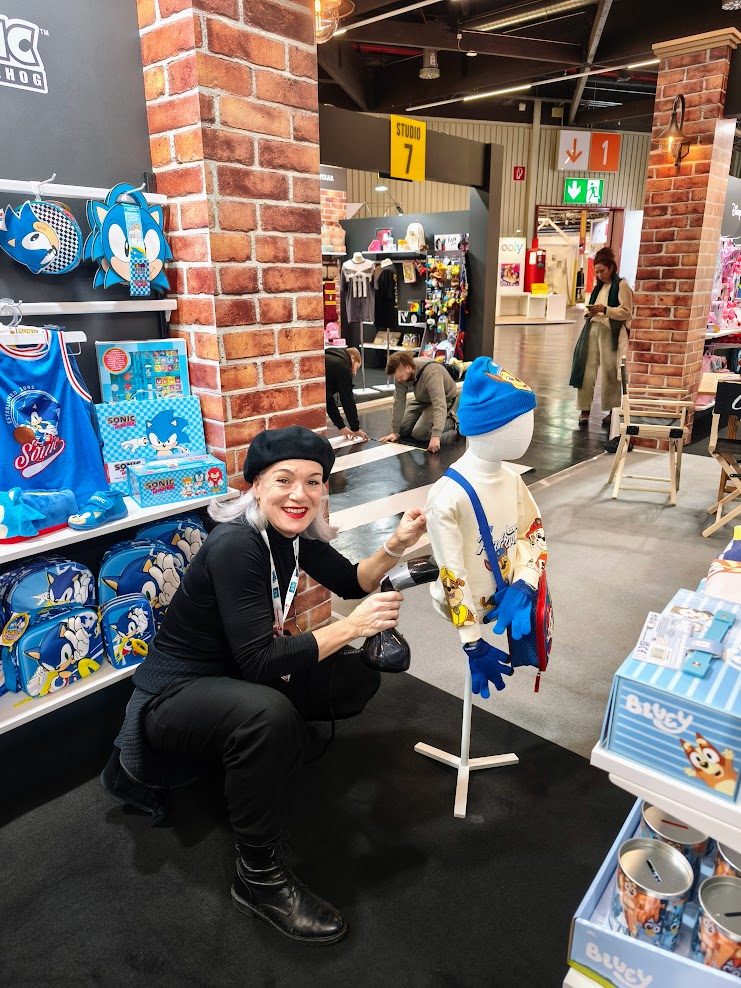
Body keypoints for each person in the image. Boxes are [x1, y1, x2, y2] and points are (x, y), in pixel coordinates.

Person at [102, 426, 427, 945]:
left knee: (351, 680)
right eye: (284, 480)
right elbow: (258, 662)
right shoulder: (237, 546)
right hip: (174, 697)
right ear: (255, 485)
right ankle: (258, 879)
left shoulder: (292, 535)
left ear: (325, 489)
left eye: (314, 482)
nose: (300, 494)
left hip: (229, 682)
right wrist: (351, 626)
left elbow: (352, 581)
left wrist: (394, 546)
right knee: (267, 714)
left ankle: (255, 752)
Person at [570, 246, 633, 429]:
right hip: (593, 329)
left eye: (602, 271)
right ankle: (584, 409)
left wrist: (605, 310)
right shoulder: (598, 287)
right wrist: (591, 312)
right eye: (596, 271)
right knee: (586, 370)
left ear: (611, 267)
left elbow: (626, 312)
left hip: (610, 332)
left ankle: (612, 410)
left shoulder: (622, 285)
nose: (599, 275)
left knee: (610, 372)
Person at [378, 351, 458, 453]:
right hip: (422, 399)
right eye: (396, 377)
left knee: (420, 434)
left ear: (409, 368)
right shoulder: (400, 375)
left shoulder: (431, 373)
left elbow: (439, 404)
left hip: (445, 399)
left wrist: (435, 435)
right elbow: (398, 401)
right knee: (402, 429)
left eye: (401, 377)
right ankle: (425, 419)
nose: (398, 380)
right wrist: (395, 431)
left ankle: (453, 421)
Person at [325, 346, 369, 441]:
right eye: (357, 367)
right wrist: (355, 428)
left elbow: (327, 398)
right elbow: (347, 399)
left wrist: (341, 426)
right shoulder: (342, 366)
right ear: (352, 358)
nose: (355, 373)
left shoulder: (329, 359)